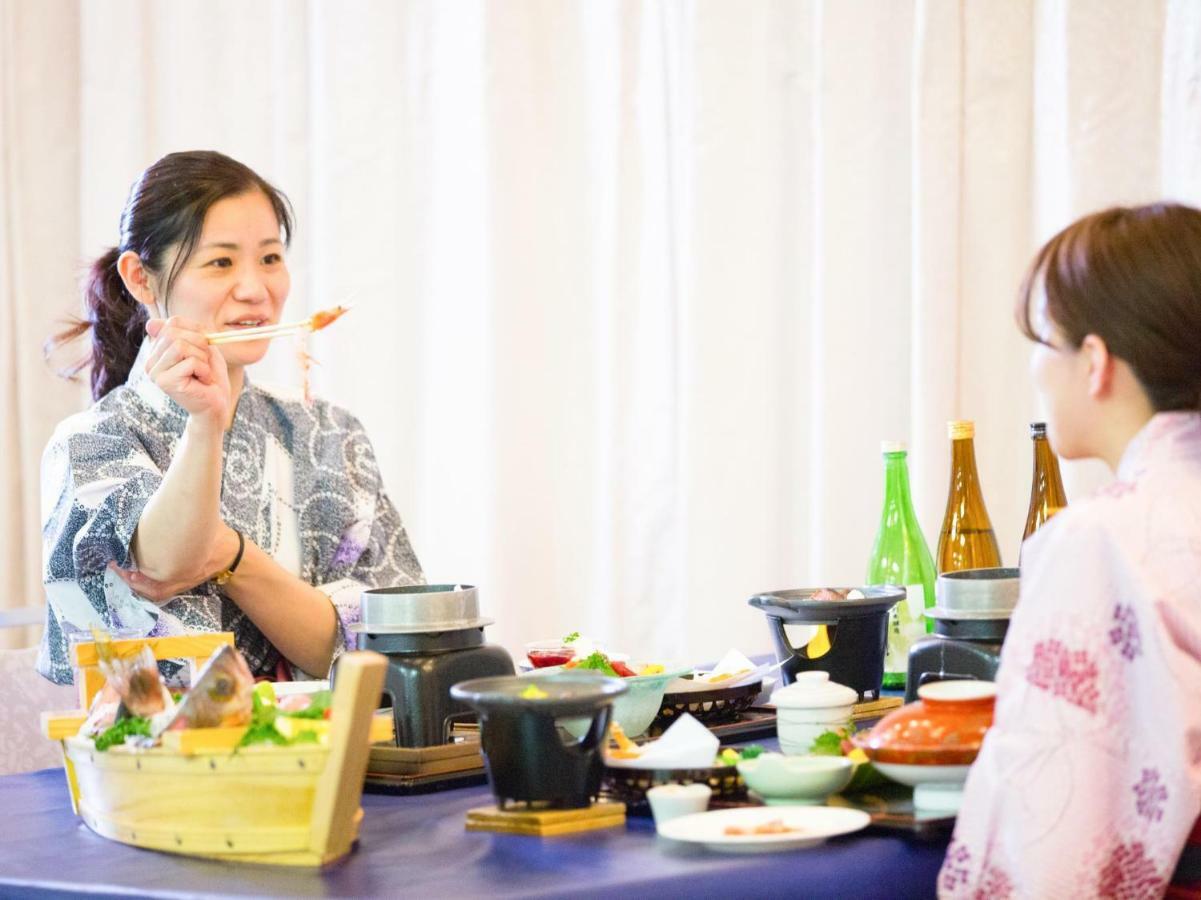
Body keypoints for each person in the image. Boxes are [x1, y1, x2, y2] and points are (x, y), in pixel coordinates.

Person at [37, 150, 423, 684]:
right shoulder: (90, 443)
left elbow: (383, 654)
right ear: (141, 279)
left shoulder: (331, 434)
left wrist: (230, 553)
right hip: (153, 763)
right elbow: (167, 561)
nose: (255, 289)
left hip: (328, 759)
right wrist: (205, 424)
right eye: (221, 262)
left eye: (269, 258)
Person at [941, 203, 1201, 897]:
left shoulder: (1100, 541)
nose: (1034, 368)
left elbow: (1051, 840)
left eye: (1044, 340)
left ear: (1092, 362)